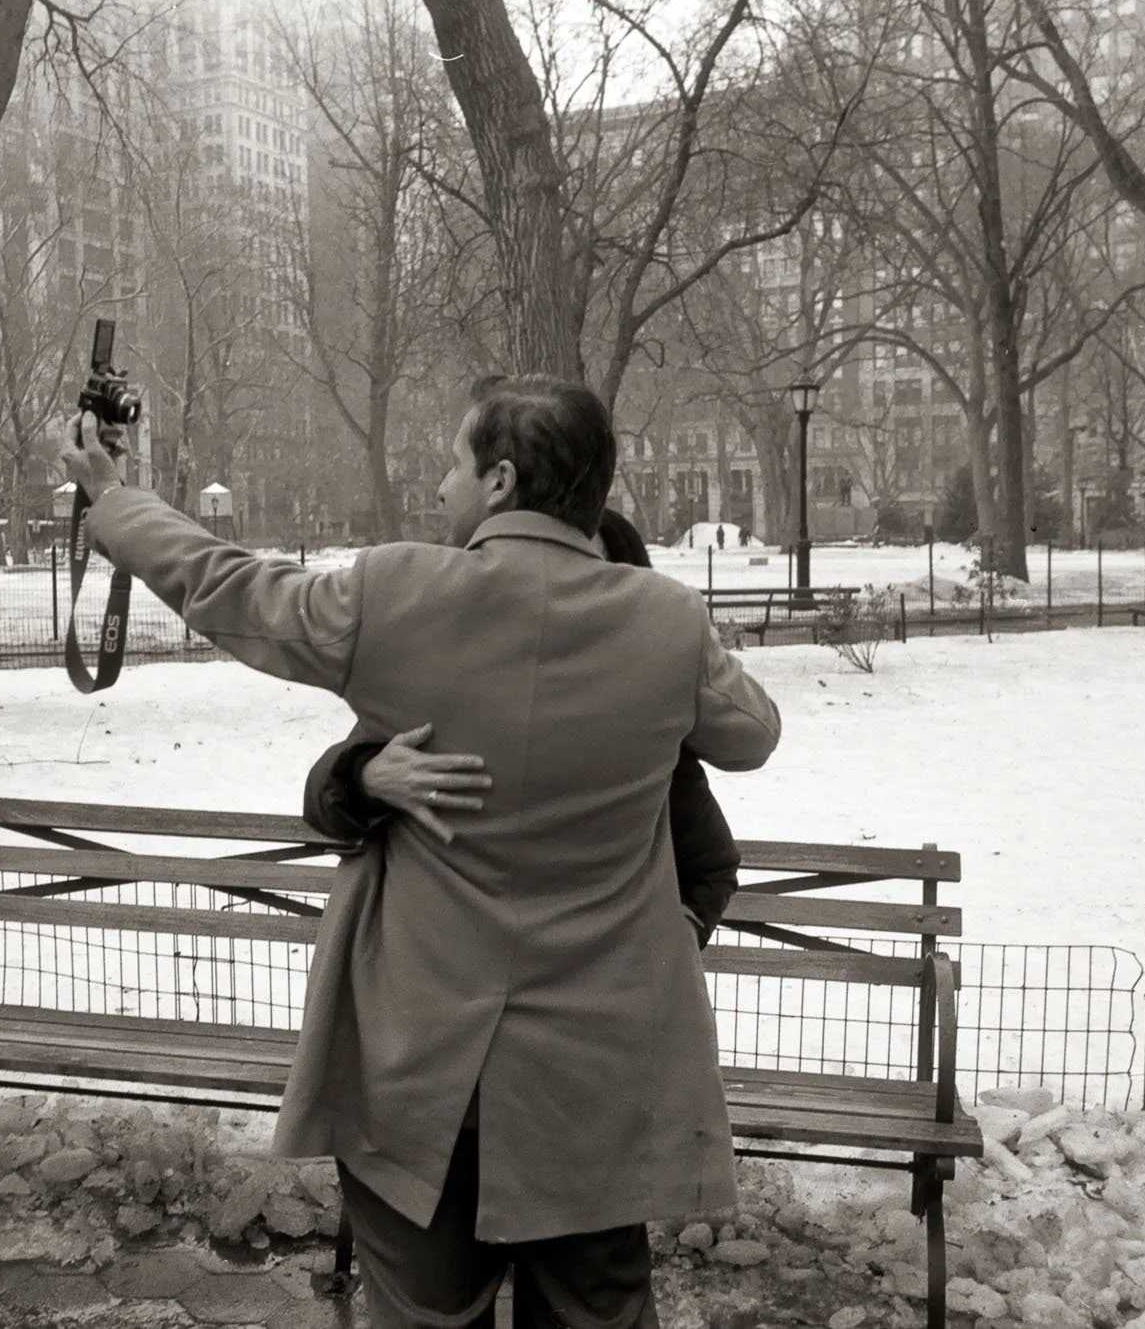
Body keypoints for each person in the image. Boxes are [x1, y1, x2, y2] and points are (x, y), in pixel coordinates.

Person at [62, 375, 780, 1329]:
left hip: (418, 1073)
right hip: (597, 1085)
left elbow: (226, 583)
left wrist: (113, 499)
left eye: (453, 463)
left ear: (501, 481)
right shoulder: (667, 622)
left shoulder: (396, 591)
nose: (441, 487)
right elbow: (753, 734)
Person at [302, 506, 743, 950]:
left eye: (590, 576)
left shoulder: (646, 731)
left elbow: (711, 865)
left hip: (589, 992)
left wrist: (662, 952)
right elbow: (321, 802)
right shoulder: (443, 695)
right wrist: (365, 778)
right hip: (445, 978)